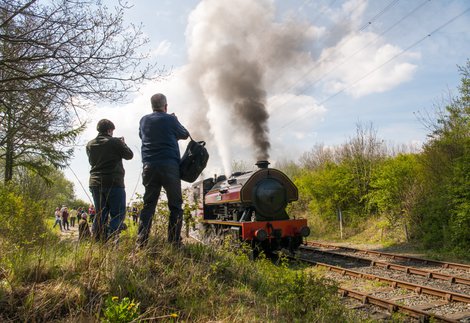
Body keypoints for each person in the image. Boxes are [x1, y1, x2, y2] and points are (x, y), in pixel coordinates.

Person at [137, 93, 189, 247]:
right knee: (175, 205)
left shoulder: (143, 120)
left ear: (152, 106)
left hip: (149, 167)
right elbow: (185, 134)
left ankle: (141, 241)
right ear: (166, 106)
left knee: (148, 205)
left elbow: (142, 136)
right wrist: (175, 120)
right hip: (169, 167)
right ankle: (174, 242)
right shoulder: (170, 119)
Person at [86, 119, 134, 242]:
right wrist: (123, 143)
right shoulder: (115, 142)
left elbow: (92, 162)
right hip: (114, 182)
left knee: (100, 213)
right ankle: (111, 238)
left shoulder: (90, 144)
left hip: (95, 182)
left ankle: (97, 240)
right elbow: (129, 155)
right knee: (118, 214)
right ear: (109, 130)